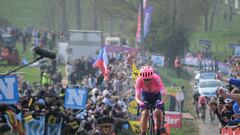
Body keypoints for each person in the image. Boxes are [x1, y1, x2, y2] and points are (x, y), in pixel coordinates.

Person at [135, 66, 167, 135]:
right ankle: (143, 133)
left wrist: (161, 102)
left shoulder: (157, 78)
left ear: (152, 77)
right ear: (142, 78)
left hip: (156, 95)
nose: (147, 82)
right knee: (144, 113)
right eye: (145, 80)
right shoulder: (138, 80)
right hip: (146, 96)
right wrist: (140, 103)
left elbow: (164, 94)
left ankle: (158, 131)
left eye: (149, 79)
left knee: (158, 112)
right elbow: (137, 96)